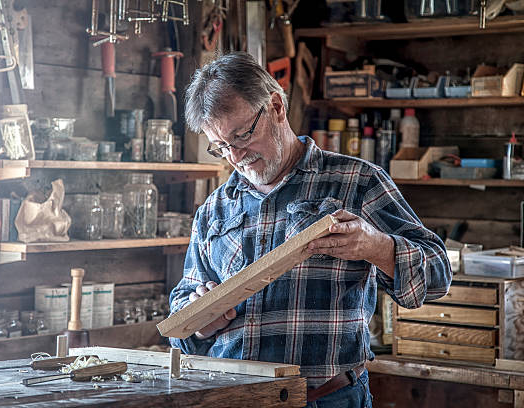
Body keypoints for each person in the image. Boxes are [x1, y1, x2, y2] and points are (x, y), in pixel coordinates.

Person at [169, 52, 452, 408]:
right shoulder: (215, 208)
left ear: (276, 107)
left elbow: (438, 275)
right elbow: (182, 303)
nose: (236, 157)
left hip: (325, 398)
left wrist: (376, 246)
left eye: (242, 136)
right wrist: (198, 321)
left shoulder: (358, 181)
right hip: (233, 397)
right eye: (222, 147)